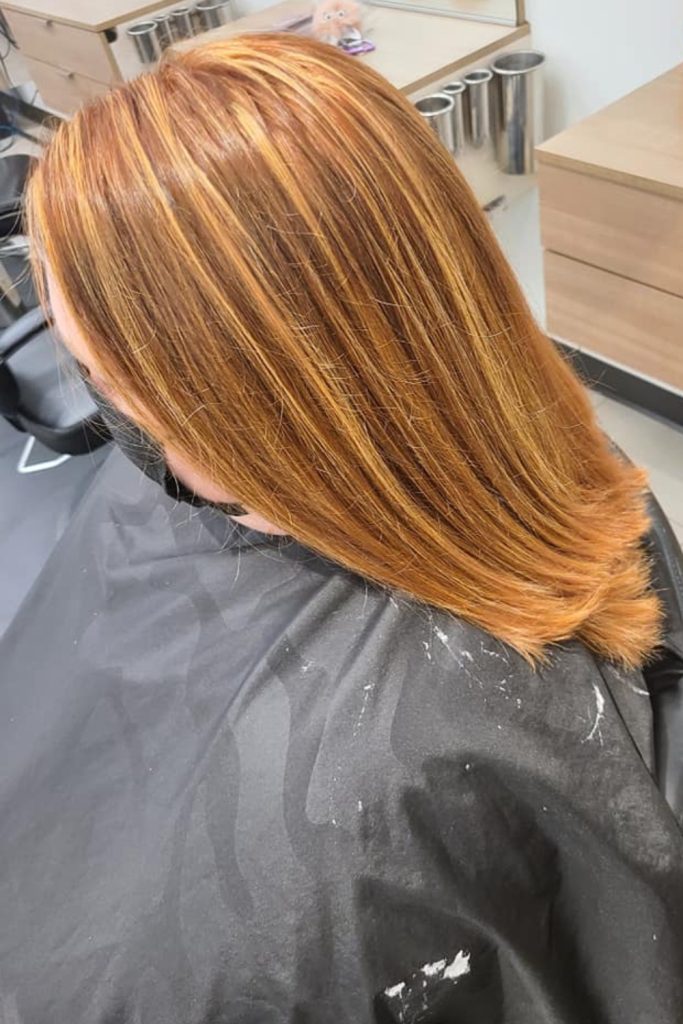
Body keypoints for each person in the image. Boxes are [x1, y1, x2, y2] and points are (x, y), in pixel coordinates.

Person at [1, 32, 682, 1024]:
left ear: (242, 405)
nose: (114, 418)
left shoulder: (369, 818)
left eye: (110, 379)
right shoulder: (554, 440)